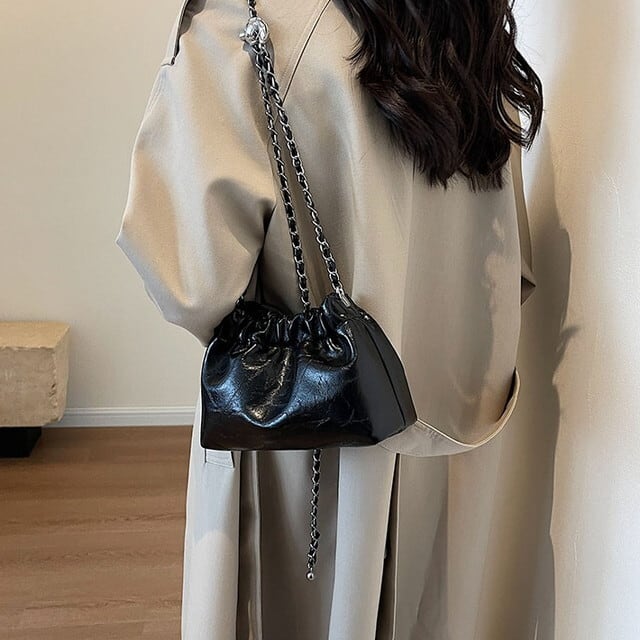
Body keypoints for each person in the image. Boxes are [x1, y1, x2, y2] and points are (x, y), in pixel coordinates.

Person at [115, 0, 542, 637]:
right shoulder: (473, 31)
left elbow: (191, 284)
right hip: (456, 448)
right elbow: (513, 269)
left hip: (305, 452)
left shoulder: (245, 25)